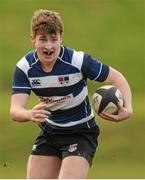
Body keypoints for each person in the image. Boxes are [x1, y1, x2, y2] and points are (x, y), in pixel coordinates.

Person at [10, 9, 133, 179]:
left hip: (81, 132)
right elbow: (15, 110)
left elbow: (117, 78)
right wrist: (29, 114)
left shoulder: (78, 61)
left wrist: (129, 108)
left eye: (54, 39)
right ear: (33, 39)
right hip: (50, 132)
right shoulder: (25, 68)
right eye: (43, 39)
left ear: (61, 37)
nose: (49, 46)